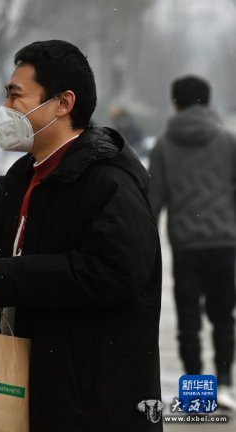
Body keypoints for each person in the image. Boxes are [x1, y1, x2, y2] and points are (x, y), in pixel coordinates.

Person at [0, 40, 162, 431]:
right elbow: (37, 263)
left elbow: (113, 273)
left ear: (63, 103)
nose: (6, 108)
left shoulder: (108, 181)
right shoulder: (22, 178)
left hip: (93, 399)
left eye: (16, 95)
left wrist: (6, 275)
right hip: (34, 388)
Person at [149, 75, 236, 410]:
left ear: (175, 103)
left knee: (189, 318)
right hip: (223, 243)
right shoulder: (228, 142)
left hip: (185, 244)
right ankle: (225, 383)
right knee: (223, 315)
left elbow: (153, 201)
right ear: (208, 101)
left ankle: (197, 389)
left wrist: (148, 246)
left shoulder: (163, 145)